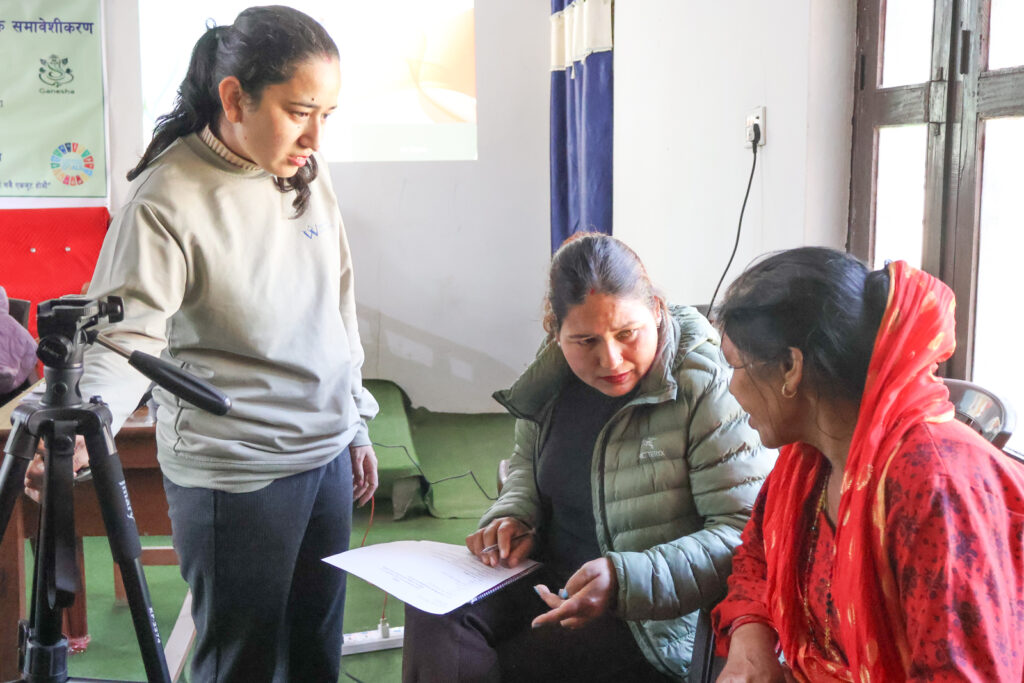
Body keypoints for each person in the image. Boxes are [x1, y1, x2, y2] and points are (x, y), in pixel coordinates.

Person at [25, 7, 378, 682]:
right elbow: (121, 340)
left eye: (327, 114)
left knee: (314, 655)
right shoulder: (167, 198)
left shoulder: (302, 170)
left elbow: (338, 305)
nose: (315, 135)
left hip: (325, 451)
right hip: (238, 473)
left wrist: (355, 420)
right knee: (237, 664)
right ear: (233, 96)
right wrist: (73, 428)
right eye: (301, 110)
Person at [402, 233, 776, 682]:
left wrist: (623, 579)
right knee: (435, 614)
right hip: (548, 573)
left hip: (644, 617)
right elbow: (524, 464)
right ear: (554, 332)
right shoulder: (554, 375)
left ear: (656, 311)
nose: (611, 359)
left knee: (513, 662)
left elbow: (740, 534)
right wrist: (513, 515)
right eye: (585, 341)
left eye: (627, 334)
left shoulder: (704, 383)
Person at [711, 247, 1024, 682]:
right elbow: (754, 557)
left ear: (789, 368)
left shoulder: (932, 485)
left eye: (735, 365)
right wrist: (751, 641)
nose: (732, 388)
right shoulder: (810, 459)